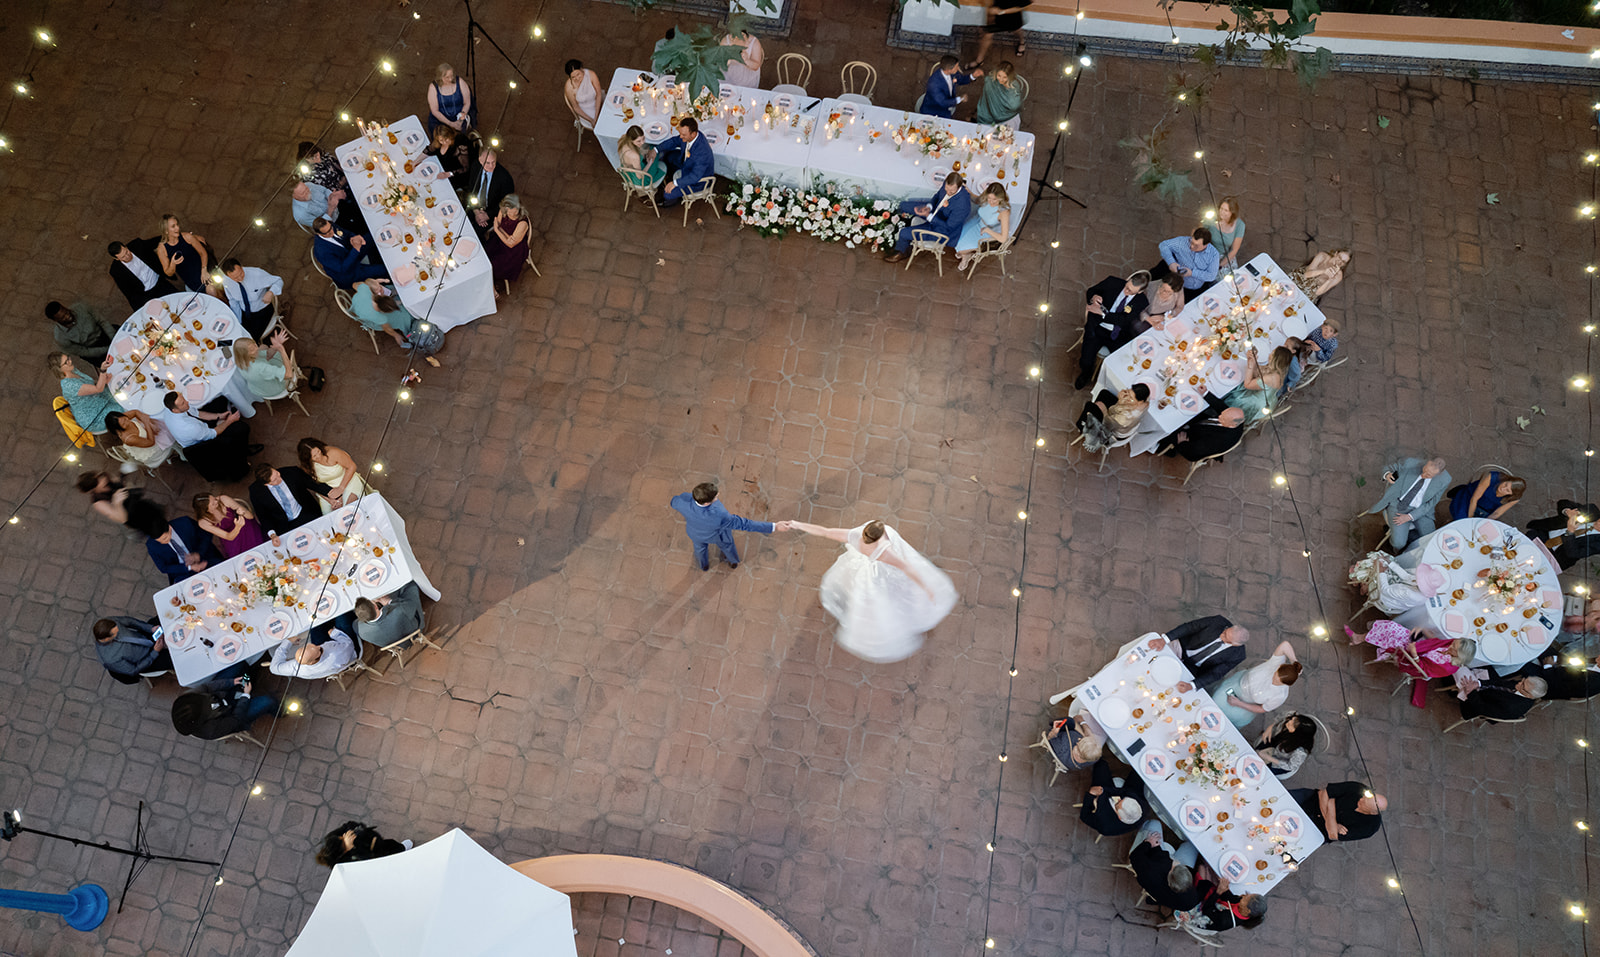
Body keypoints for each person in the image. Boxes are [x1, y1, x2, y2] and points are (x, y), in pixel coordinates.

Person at [788, 519, 959, 663]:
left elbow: (825, 531)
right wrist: (926, 588)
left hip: (869, 568)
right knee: (897, 596)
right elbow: (907, 568)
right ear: (879, 536)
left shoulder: (855, 534)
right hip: (884, 574)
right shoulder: (885, 551)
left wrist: (797, 524)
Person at [1346, 622, 1476, 707]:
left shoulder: (1447, 668)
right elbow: (1435, 642)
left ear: (1459, 656)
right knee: (1391, 627)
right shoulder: (1451, 644)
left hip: (1412, 660)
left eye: (1454, 646)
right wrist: (1424, 631)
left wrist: (1414, 654)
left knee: (1390, 637)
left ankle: (1360, 637)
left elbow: (1424, 670)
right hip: (1420, 646)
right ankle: (1368, 633)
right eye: (1454, 642)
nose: (1451, 644)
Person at [669, 483, 785, 571]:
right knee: (728, 546)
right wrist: (773, 526)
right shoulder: (719, 515)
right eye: (715, 497)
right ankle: (733, 561)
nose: (717, 497)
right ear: (706, 503)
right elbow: (745, 524)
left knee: (699, 549)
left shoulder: (683, 502)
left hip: (695, 534)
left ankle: (703, 566)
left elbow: (673, 501)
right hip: (717, 536)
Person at [159, 392, 259, 483]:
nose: (187, 402)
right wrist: (230, 420)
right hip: (202, 447)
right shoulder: (189, 428)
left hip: (201, 429)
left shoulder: (170, 410)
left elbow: (197, 413)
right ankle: (241, 454)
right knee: (242, 428)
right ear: (175, 410)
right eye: (183, 403)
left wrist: (219, 416)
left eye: (184, 399)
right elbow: (213, 433)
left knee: (220, 400)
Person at [1075, 271, 1150, 389]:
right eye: (1126, 287)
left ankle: (1110, 382)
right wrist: (1094, 296)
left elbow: (1124, 320)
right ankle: (1086, 374)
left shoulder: (1141, 301)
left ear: (1139, 292)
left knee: (1124, 361)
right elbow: (1091, 291)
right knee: (1086, 359)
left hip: (1118, 334)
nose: (1126, 291)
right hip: (1097, 328)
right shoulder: (1112, 282)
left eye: (1130, 291)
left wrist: (1103, 313)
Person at [1362, 455, 1451, 552]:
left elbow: (1431, 503)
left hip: (1421, 510)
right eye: (1425, 469)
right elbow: (1387, 468)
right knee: (1399, 543)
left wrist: (1410, 516)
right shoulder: (1410, 463)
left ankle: (1411, 538)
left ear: (1437, 475)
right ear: (1427, 461)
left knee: (1431, 538)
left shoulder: (1445, 480)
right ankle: (1396, 550)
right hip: (1398, 505)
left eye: (1429, 475)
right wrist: (1387, 474)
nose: (1424, 474)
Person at [882, 173, 972, 264]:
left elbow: (948, 227)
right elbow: (937, 196)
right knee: (904, 205)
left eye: (951, 192)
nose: (948, 193)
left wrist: (929, 216)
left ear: (960, 187)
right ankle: (888, 221)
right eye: (946, 190)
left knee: (904, 233)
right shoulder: (948, 183)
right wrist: (929, 206)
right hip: (934, 211)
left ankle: (902, 252)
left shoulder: (963, 205)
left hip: (942, 230)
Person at [1212, 641, 1301, 727]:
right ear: (1280, 667)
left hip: (1246, 705)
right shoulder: (1277, 663)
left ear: (1286, 684)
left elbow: (1262, 709)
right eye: (1275, 675)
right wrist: (1294, 661)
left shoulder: (1280, 696)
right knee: (1215, 699)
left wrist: (1239, 704)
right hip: (1237, 684)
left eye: (1278, 682)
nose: (1273, 679)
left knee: (1227, 722)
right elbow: (1285, 645)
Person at [1128, 820, 1202, 912]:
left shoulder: (1150, 872)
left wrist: (1148, 843)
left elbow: (1135, 856)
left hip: (1154, 856)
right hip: (1164, 889)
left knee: (1154, 823)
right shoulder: (1190, 901)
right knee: (1194, 844)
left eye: (1174, 867)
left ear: (1169, 878)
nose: (1176, 863)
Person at [171, 676, 278, 740]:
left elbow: (206, 687)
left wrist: (231, 682)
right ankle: (278, 711)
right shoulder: (211, 730)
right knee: (268, 701)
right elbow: (236, 719)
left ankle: (249, 684)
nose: (208, 699)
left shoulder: (188, 699)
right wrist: (245, 696)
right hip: (234, 716)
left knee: (239, 666)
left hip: (223, 698)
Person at [1164, 616, 1248, 692]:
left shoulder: (1238, 655)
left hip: (1193, 668)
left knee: (1172, 687)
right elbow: (1190, 627)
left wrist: (1192, 685)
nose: (1222, 635)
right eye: (1225, 632)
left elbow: (1216, 673)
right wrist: (1165, 639)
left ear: (1235, 644)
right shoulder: (1218, 621)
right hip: (1182, 647)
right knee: (1156, 655)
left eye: (1226, 637)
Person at [249, 463, 333, 535]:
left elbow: (313, 484)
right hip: (283, 525)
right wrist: (272, 534)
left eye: (277, 473)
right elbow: (262, 515)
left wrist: (333, 494)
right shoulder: (255, 492)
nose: (280, 479)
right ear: (267, 484)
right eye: (275, 480)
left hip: (306, 512)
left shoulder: (292, 472)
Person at [1288, 782, 1385, 843]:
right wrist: (1333, 823)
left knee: (1284, 842)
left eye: (1364, 803)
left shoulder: (1370, 827)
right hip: (1310, 800)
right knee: (1277, 797)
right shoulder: (1360, 789)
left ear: (1372, 812)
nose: (1360, 799)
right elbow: (1323, 793)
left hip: (1317, 830)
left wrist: (1331, 803)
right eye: (1364, 798)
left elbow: (1333, 835)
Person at [51, 352, 123, 434]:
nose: (70, 362)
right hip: (93, 417)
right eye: (66, 362)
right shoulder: (70, 386)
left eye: (68, 358)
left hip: (97, 398)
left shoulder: (72, 370)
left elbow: (91, 384)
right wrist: (102, 371)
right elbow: (98, 389)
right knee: (123, 408)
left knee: (120, 390)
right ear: (59, 369)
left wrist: (103, 380)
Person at [216, 259, 284, 342]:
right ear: (228, 276)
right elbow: (233, 301)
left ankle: (255, 350)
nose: (240, 278)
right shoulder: (227, 281)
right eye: (235, 278)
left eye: (241, 273)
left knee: (248, 340)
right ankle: (224, 350)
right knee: (233, 333)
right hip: (244, 312)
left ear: (242, 267)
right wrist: (238, 321)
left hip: (262, 311)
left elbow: (278, 281)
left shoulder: (257, 274)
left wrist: (271, 292)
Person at [312, 217, 388, 289]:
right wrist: (356, 250)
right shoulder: (321, 252)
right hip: (348, 273)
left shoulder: (331, 226)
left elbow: (347, 234)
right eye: (327, 233)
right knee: (383, 269)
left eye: (331, 228)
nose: (331, 232)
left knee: (374, 235)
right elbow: (342, 268)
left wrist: (354, 237)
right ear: (319, 234)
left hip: (350, 252)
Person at [77, 470, 165, 531]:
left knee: (157, 513)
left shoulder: (104, 478)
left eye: (99, 476)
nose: (103, 479)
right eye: (97, 482)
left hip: (139, 504)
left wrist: (123, 476)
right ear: (92, 489)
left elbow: (119, 483)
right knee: (156, 527)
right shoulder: (99, 503)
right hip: (134, 516)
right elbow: (122, 519)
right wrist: (117, 503)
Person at [145, 516, 223, 584]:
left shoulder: (185, 522)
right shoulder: (151, 545)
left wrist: (199, 554)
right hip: (182, 571)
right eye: (160, 541)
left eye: (165, 538)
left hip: (205, 558)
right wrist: (189, 567)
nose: (163, 542)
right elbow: (163, 567)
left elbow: (206, 534)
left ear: (170, 528)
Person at [92, 615, 172, 682]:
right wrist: (155, 652)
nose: (118, 632)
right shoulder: (110, 660)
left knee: (165, 618)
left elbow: (130, 622)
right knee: (174, 659)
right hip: (146, 659)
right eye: (115, 634)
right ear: (106, 639)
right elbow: (134, 670)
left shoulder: (110, 622)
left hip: (143, 636)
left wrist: (150, 629)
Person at [1078, 758, 1145, 837]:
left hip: (1103, 799)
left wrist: (1090, 794)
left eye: (1118, 803)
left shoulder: (1105, 827)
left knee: (1101, 765)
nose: (1119, 799)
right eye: (1122, 800)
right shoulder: (1140, 805)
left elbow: (1084, 816)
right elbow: (1125, 792)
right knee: (1139, 772)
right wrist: (1104, 789)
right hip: (1119, 791)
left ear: (1119, 817)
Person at [108, 238, 180, 309]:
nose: (128, 256)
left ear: (126, 247)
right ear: (117, 259)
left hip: (160, 282)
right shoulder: (116, 271)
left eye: (127, 252)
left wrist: (175, 238)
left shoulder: (137, 245)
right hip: (145, 294)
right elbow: (128, 293)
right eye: (123, 257)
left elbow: (156, 241)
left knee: (179, 302)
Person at [1221, 346, 1287, 425]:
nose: (1269, 354)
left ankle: (1222, 412)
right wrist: (1253, 360)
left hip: (1255, 404)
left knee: (1233, 394)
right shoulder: (1278, 372)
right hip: (1267, 399)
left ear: (1275, 360)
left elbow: (1247, 384)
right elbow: (1257, 374)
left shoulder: (1269, 378)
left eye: (1272, 354)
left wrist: (1250, 365)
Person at [1526, 500, 1600, 569]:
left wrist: (1570, 532)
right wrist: (1568, 511)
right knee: (1518, 546)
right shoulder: (1592, 511)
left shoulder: (1598, 544)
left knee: (1527, 568)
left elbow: (1574, 553)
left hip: (1554, 556)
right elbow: (1563, 502)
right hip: (1543, 534)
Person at [298, 438, 367, 512]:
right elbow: (315, 486)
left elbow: (352, 466)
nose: (319, 455)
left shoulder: (333, 453)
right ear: (307, 459)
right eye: (314, 456)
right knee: (331, 519)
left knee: (349, 511)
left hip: (347, 482)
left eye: (318, 451)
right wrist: (330, 500)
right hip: (327, 492)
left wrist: (341, 489)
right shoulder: (307, 467)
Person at [658, 118, 715, 208]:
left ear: (693, 134)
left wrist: (675, 183)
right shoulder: (689, 136)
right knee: (669, 157)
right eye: (680, 133)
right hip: (687, 165)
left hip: (697, 182)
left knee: (668, 194)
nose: (680, 137)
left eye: (683, 135)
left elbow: (694, 177)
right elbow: (674, 141)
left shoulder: (702, 153)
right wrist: (656, 149)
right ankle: (671, 178)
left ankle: (670, 200)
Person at [193, 493, 270, 559]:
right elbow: (228, 536)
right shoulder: (203, 522)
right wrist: (238, 527)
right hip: (231, 536)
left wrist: (242, 512)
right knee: (241, 559)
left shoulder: (223, 499)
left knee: (262, 548)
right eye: (213, 503)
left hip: (244, 526)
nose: (217, 501)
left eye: (214, 498)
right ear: (207, 510)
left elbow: (250, 516)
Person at [1159, 405, 1246, 462]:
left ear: (1232, 424)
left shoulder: (1217, 441)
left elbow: (1193, 452)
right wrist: (1205, 394)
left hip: (1191, 443)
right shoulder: (1235, 418)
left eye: (1222, 418)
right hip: (1201, 427)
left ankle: (1163, 449)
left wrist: (1182, 444)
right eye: (1222, 414)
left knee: (1170, 427)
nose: (1219, 416)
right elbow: (1221, 406)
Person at [955, 183, 1011, 272]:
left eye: (994, 199)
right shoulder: (986, 195)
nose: (991, 202)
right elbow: (977, 201)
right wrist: (968, 191)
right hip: (977, 221)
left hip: (988, 232)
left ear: (1000, 198)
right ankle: (966, 254)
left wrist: (987, 230)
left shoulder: (1004, 212)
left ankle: (965, 256)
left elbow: (1003, 239)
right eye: (989, 198)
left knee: (960, 249)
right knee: (955, 238)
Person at [353, 582, 425, 649]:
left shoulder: (361, 631)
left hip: (396, 646)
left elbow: (355, 624)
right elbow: (411, 604)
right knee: (410, 585)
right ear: (375, 606)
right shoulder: (398, 611)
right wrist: (389, 601)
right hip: (414, 632)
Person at [1151, 229, 1220, 298]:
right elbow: (1163, 245)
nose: (1192, 246)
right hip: (1175, 281)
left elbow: (1211, 276)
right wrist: (1171, 262)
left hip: (1194, 289)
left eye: (1196, 245)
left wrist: (1192, 273)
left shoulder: (1213, 255)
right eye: (1192, 242)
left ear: (1206, 245)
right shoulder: (1182, 242)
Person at [270, 628, 359, 680]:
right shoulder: (335, 654)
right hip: (348, 655)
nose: (318, 646)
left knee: (315, 625)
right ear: (311, 662)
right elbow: (349, 645)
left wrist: (288, 642)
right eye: (319, 649)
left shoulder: (298, 668)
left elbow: (273, 668)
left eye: (308, 646)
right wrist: (334, 633)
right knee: (342, 619)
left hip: (327, 667)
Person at [485, 194, 532, 291]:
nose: (509, 212)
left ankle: (491, 286)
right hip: (500, 240)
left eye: (512, 209)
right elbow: (498, 224)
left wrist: (498, 231)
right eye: (507, 209)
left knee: (493, 264)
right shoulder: (504, 211)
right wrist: (507, 236)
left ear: (518, 207)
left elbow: (511, 244)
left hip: (514, 251)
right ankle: (488, 280)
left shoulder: (522, 223)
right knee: (484, 255)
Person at [348, 279, 415, 348]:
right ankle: (409, 334)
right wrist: (396, 335)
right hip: (368, 320)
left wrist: (369, 286)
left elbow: (354, 285)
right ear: (383, 312)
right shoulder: (379, 317)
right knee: (402, 318)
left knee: (389, 288)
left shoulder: (365, 289)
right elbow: (387, 328)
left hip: (356, 304)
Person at [46, 300, 117, 363]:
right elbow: (85, 352)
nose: (68, 316)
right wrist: (107, 349)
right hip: (92, 349)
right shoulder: (60, 337)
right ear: (56, 320)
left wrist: (114, 339)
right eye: (63, 317)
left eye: (66, 312)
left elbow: (102, 322)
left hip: (104, 332)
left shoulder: (81, 307)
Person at [1253, 711, 1319, 780]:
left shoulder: (1300, 752)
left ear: (1298, 733)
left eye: (1292, 725)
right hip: (1276, 744)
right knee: (1254, 753)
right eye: (1292, 719)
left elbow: (1290, 766)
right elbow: (1281, 716)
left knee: (1259, 772)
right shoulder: (1291, 717)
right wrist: (1270, 727)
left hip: (1279, 763)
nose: (1289, 722)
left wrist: (1270, 758)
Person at [1191, 874, 1267, 932]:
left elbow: (1206, 909)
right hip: (1216, 905)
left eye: (1245, 898)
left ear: (1247, 911)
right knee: (1207, 882)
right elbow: (1229, 898)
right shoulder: (1242, 904)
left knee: (1202, 884)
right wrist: (1225, 887)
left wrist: (1218, 892)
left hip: (1202, 915)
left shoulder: (1225, 920)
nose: (1242, 896)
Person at [155, 213, 210, 292]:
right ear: (166, 231)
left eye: (177, 225)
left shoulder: (187, 237)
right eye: (173, 226)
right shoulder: (162, 249)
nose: (177, 228)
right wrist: (173, 264)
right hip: (191, 282)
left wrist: (204, 270)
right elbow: (168, 272)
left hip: (204, 272)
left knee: (212, 290)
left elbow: (203, 253)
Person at [316, 821, 408, 867]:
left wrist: (354, 831)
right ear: (343, 851)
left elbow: (347, 825)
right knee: (391, 855)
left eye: (342, 836)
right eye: (343, 840)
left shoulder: (330, 839)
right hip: (376, 853)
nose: (345, 836)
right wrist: (352, 849)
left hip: (372, 840)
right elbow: (369, 861)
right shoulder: (345, 864)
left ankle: (402, 847)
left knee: (391, 844)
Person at [1077, 383, 1149, 442]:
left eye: (1131, 398)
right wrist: (1121, 402)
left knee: (1091, 406)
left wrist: (1105, 410)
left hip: (1112, 431)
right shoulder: (1145, 403)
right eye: (1128, 392)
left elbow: (1107, 424)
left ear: (1140, 401)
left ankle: (1082, 427)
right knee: (1104, 393)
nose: (1127, 397)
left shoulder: (1124, 418)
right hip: (1120, 421)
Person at [233, 332, 296, 399]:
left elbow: (267, 355)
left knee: (264, 347)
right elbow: (289, 375)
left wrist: (276, 346)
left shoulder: (240, 360)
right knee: (275, 353)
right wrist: (282, 350)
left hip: (258, 388)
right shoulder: (261, 367)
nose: (256, 348)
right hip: (274, 389)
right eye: (252, 350)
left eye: (254, 344)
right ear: (245, 354)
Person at [466, 148, 516, 232]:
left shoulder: (505, 178)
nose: (491, 166)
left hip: (491, 211)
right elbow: (471, 190)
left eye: (493, 162)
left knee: (475, 232)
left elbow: (507, 203)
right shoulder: (475, 166)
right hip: (473, 206)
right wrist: (476, 211)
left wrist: (487, 215)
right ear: (480, 161)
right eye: (487, 163)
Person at [104, 409, 174, 468]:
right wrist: (147, 423)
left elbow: (135, 412)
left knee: (159, 423)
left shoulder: (121, 419)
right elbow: (151, 442)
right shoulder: (129, 439)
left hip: (146, 437)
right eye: (124, 424)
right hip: (152, 450)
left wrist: (149, 424)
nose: (127, 421)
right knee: (171, 431)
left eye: (125, 418)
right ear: (118, 428)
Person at [1447, 470, 1526, 522]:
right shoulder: (1491, 477)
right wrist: (1470, 520)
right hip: (1469, 499)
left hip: (1485, 511)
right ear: (1506, 480)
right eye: (1505, 484)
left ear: (1510, 494)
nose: (1503, 488)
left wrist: (1484, 522)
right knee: (1461, 520)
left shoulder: (1514, 499)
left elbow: (1497, 513)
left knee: (1482, 531)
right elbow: (1474, 499)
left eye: (1507, 490)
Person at [1459, 674, 1546, 721]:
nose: (1519, 683)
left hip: (1474, 703)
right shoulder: (1523, 687)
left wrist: (1471, 692)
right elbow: (1501, 683)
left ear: (1529, 696)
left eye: (1523, 685)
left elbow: (1481, 708)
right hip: (1487, 691)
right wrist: (1480, 683)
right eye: (1523, 681)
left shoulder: (1512, 707)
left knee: (1460, 679)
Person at [1043, 706, 1104, 772]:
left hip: (1061, 737)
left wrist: (1054, 732)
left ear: (1079, 753)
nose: (1078, 741)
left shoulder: (1062, 748)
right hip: (1068, 762)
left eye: (1079, 744)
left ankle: (1051, 723)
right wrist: (1083, 722)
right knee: (1077, 724)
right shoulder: (1093, 758)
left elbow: (1049, 739)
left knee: (1069, 721)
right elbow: (1090, 737)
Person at [425, 62, 476, 135]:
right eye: (447, 77)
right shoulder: (433, 87)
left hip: (460, 115)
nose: (450, 79)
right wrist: (451, 124)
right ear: (440, 77)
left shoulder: (460, 81)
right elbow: (434, 110)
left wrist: (462, 117)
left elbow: (467, 102)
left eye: (452, 76)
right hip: (441, 119)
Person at [974, 61, 1025, 127]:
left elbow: (1014, 106)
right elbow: (986, 100)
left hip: (1009, 116)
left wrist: (1008, 88)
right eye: (999, 75)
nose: (1001, 79)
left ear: (1009, 76)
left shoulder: (1014, 86)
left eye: (1005, 77)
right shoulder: (990, 81)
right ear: (996, 73)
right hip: (989, 116)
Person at [618, 125, 667, 192]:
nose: (642, 142)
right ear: (631, 140)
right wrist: (649, 163)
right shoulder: (635, 156)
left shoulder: (624, 140)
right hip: (640, 180)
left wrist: (644, 154)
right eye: (639, 141)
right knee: (655, 153)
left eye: (643, 138)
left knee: (651, 149)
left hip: (630, 170)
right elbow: (640, 176)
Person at [562, 59, 603, 131]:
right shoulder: (569, 87)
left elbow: (599, 94)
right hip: (585, 111)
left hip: (598, 102)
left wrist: (596, 115)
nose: (577, 78)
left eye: (578, 74)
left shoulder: (591, 74)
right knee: (602, 126)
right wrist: (591, 120)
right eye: (573, 77)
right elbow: (576, 107)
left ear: (582, 69)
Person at [1207, 197, 1246, 270]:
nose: (1222, 212)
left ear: (1232, 212)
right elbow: (1199, 231)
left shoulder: (1240, 225)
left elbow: (1234, 250)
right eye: (1221, 209)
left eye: (1226, 210)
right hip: (1209, 252)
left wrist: (1220, 265)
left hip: (1226, 256)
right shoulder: (1212, 218)